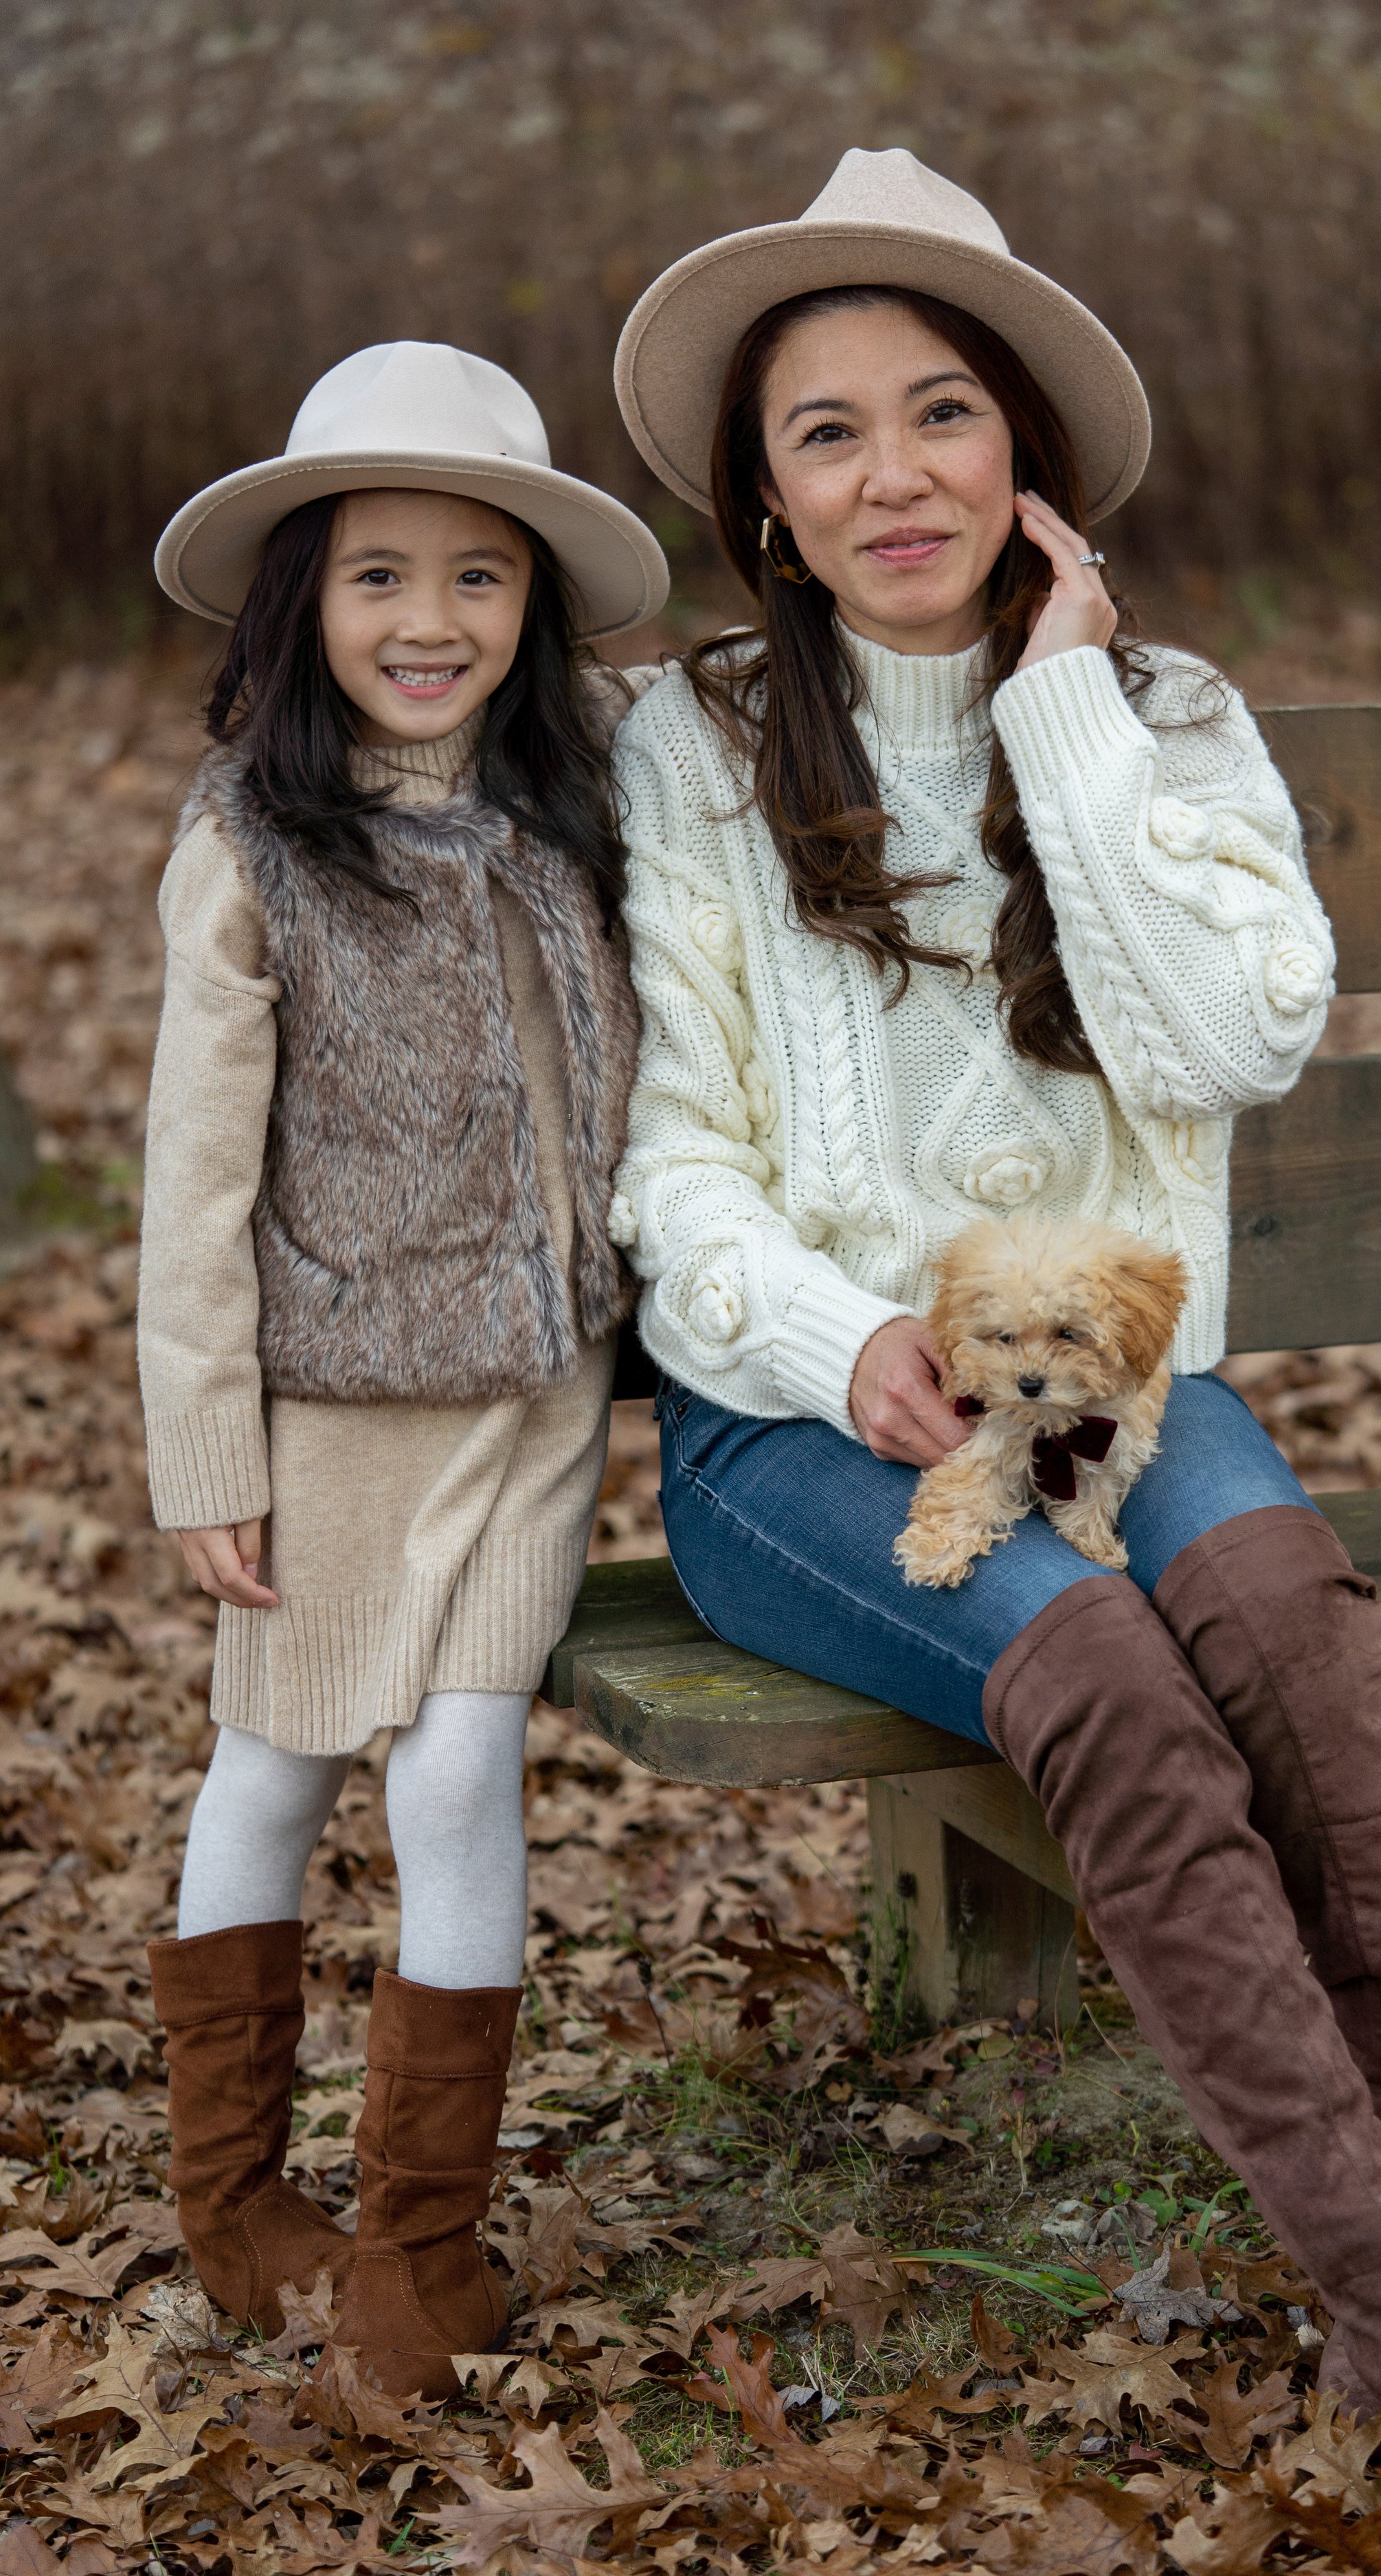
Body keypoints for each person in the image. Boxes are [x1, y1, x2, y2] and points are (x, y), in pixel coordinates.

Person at [606, 152, 1381, 2566]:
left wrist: (1063, 720)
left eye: (940, 415)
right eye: (825, 436)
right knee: (1103, 1674)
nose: (892, 474)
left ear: (1027, 460)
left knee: (1302, 1639)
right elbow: (667, 1160)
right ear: (766, 508)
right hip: (801, 1425)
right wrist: (837, 1334)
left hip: (1114, 1386)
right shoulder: (681, 752)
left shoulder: (1162, 722)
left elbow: (1222, 1043)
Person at [139, 341, 666, 2398]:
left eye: (477, 576)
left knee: (458, 1764)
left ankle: (419, 2241)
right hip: (326, 1396)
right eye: (377, 575)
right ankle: (234, 2196)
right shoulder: (251, 846)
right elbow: (189, 1168)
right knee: (269, 1764)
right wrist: (204, 1444)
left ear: (530, 607)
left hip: (531, 1398)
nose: (428, 621)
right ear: (302, 602)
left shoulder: (579, 811)